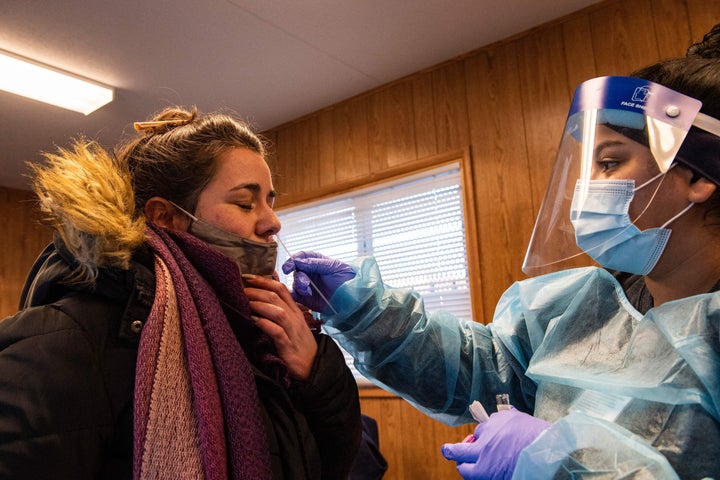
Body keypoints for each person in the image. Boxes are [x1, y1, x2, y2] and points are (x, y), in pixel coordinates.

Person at [279, 26, 720, 479]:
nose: (586, 188)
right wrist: (366, 311)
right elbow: (480, 369)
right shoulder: (583, 310)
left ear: (698, 176)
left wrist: (565, 463)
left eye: (609, 163)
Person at [0, 106, 362, 479]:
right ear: (165, 217)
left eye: (270, 201)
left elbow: (329, 465)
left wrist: (316, 370)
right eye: (244, 202)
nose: (273, 222)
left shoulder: (266, 333)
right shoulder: (73, 338)